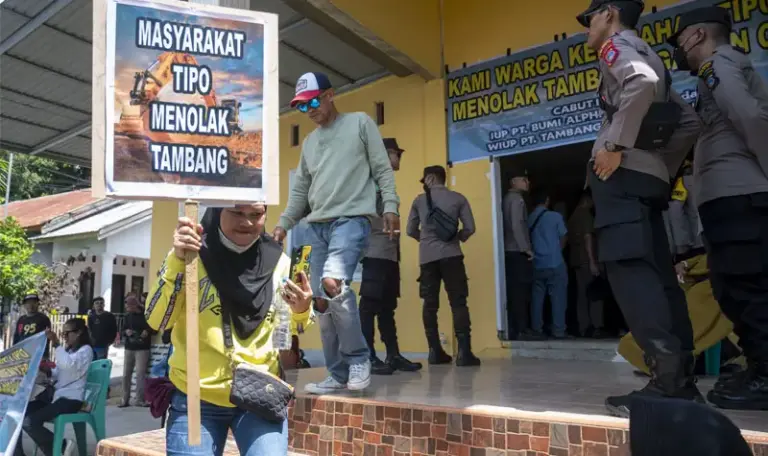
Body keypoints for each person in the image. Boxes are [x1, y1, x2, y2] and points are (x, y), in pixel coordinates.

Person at [576, 0, 703, 417]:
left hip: (621, 179)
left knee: (631, 273)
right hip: (646, 179)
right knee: (659, 276)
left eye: (589, 18)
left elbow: (640, 81)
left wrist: (616, 146)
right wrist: (659, 167)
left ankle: (667, 383)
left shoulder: (616, 48)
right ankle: (681, 380)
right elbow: (689, 122)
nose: (586, 28)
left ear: (609, 13)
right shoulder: (653, 54)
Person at [146, 204, 314, 455]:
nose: (247, 222)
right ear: (218, 210)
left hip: (259, 397)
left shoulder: (279, 263)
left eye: (256, 215)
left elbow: (291, 328)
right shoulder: (190, 257)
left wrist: (301, 309)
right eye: (237, 212)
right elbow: (158, 321)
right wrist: (177, 261)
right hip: (196, 398)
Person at [272, 72, 399, 395]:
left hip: (351, 219)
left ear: (330, 95)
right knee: (320, 300)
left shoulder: (360, 123)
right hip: (316, 226)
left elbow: (382, 168)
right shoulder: (310, 143)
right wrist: (284, 224)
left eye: (314, 101)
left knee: (333, 283)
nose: (310, 110)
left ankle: (359, 358)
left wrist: (391, 205)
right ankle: (337, 373)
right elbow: (301, 189)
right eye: (302, 106)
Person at [668, 6, 768, 410]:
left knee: (748, 288)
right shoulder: (717, 68)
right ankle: (759, 366)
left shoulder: (718, 63)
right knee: (732, 288)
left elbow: (749, 115)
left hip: (739, 198)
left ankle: (766, 376)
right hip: (728, 200)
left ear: (696, 36)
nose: (677, 50)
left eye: (679, 41)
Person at [359, 138, 422, 375]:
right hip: (375, 252)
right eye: (397, 153)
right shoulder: (373, 181)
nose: (399, 158)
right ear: (385, 155)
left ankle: (393, 355)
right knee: (369, 305)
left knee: (387, 307)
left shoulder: (384, 182)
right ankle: (366, 356)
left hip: (389, 254)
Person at [406, 165, 480, 366]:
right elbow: (470, 228)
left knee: (429, 305)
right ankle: (464, 353)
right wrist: (457, 238)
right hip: (452, 255)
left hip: (427, 259)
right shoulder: (458, 198)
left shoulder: (419, 201)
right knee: (458, 302)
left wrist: (426, 240)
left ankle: (434, 351)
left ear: (430, 178)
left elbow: (410, 230)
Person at [15, 318, 93, 456]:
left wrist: (56, 343)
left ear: (79, 333)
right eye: (63, 334)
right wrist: (46, 369)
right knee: (17, 413)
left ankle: (61, 447)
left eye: (67, 333)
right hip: (57, 397)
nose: (64, 337)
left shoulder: (86, 350)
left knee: (30, 422)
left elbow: (68, 365)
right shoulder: (70, 351)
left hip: (70, 400)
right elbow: (59, 373)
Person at [502, 169, 538, 340]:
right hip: (517, 251)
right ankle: (522, 329)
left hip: (510, 251)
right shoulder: (517, 200)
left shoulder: (507, 199)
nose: (527, 183)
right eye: (523, 179)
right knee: (521, 292)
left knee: (515, 291)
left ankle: (517, 328)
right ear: (513, 182)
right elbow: (517, 225)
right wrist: (526, 248)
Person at [528, 190, 570, 339]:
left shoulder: (529, 218)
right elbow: (564, 236)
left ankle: (536, 329)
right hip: (555, 262)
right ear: (547, 200)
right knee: (558, 298)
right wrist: (558, 251)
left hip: (536, 263)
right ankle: (558, 330)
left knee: (537, 298)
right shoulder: (555, 216)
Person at [568, 192, 607, 338]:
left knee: (582, 296)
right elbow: (588, 238)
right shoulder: (585, 215)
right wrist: (593, 262)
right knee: (595, 293)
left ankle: (584, 327)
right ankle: (596, 327)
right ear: (587, 200)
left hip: (577, 260)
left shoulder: (573, 217)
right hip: (586, 260)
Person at [119, 296, 152, 408]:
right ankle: (124, 399)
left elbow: (153, 328)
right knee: (126, 374)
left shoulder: (146, 315)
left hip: (142, 347)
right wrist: (126, 332)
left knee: (140, 374)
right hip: (129, 347)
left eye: (129, 306)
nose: (127, 308)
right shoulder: (127, 316)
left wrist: (147, 331)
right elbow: (122, 330)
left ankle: (140, 399)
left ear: (134, 305)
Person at [13, 294, 52, 358]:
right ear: (24, 305)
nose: (31, 305)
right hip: (22, 355)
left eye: (34, 302)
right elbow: (17, 338)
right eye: (28, 303)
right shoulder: (21, 320)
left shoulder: (44, 319)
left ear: (38, 304)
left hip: (37, 355)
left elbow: (46, 339)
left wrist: (44, 356)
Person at [87, 296, 117, 361]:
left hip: (103, 345)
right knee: (92, 364)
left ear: (104, 305)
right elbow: (89, 329)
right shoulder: (91, 316)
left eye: (101, 303)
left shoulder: (109, 316)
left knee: (100, 364)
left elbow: (114, 330)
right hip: (92, 345)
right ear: (93, 305)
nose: (99, 305)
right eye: (97, 303)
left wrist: (110, 342)